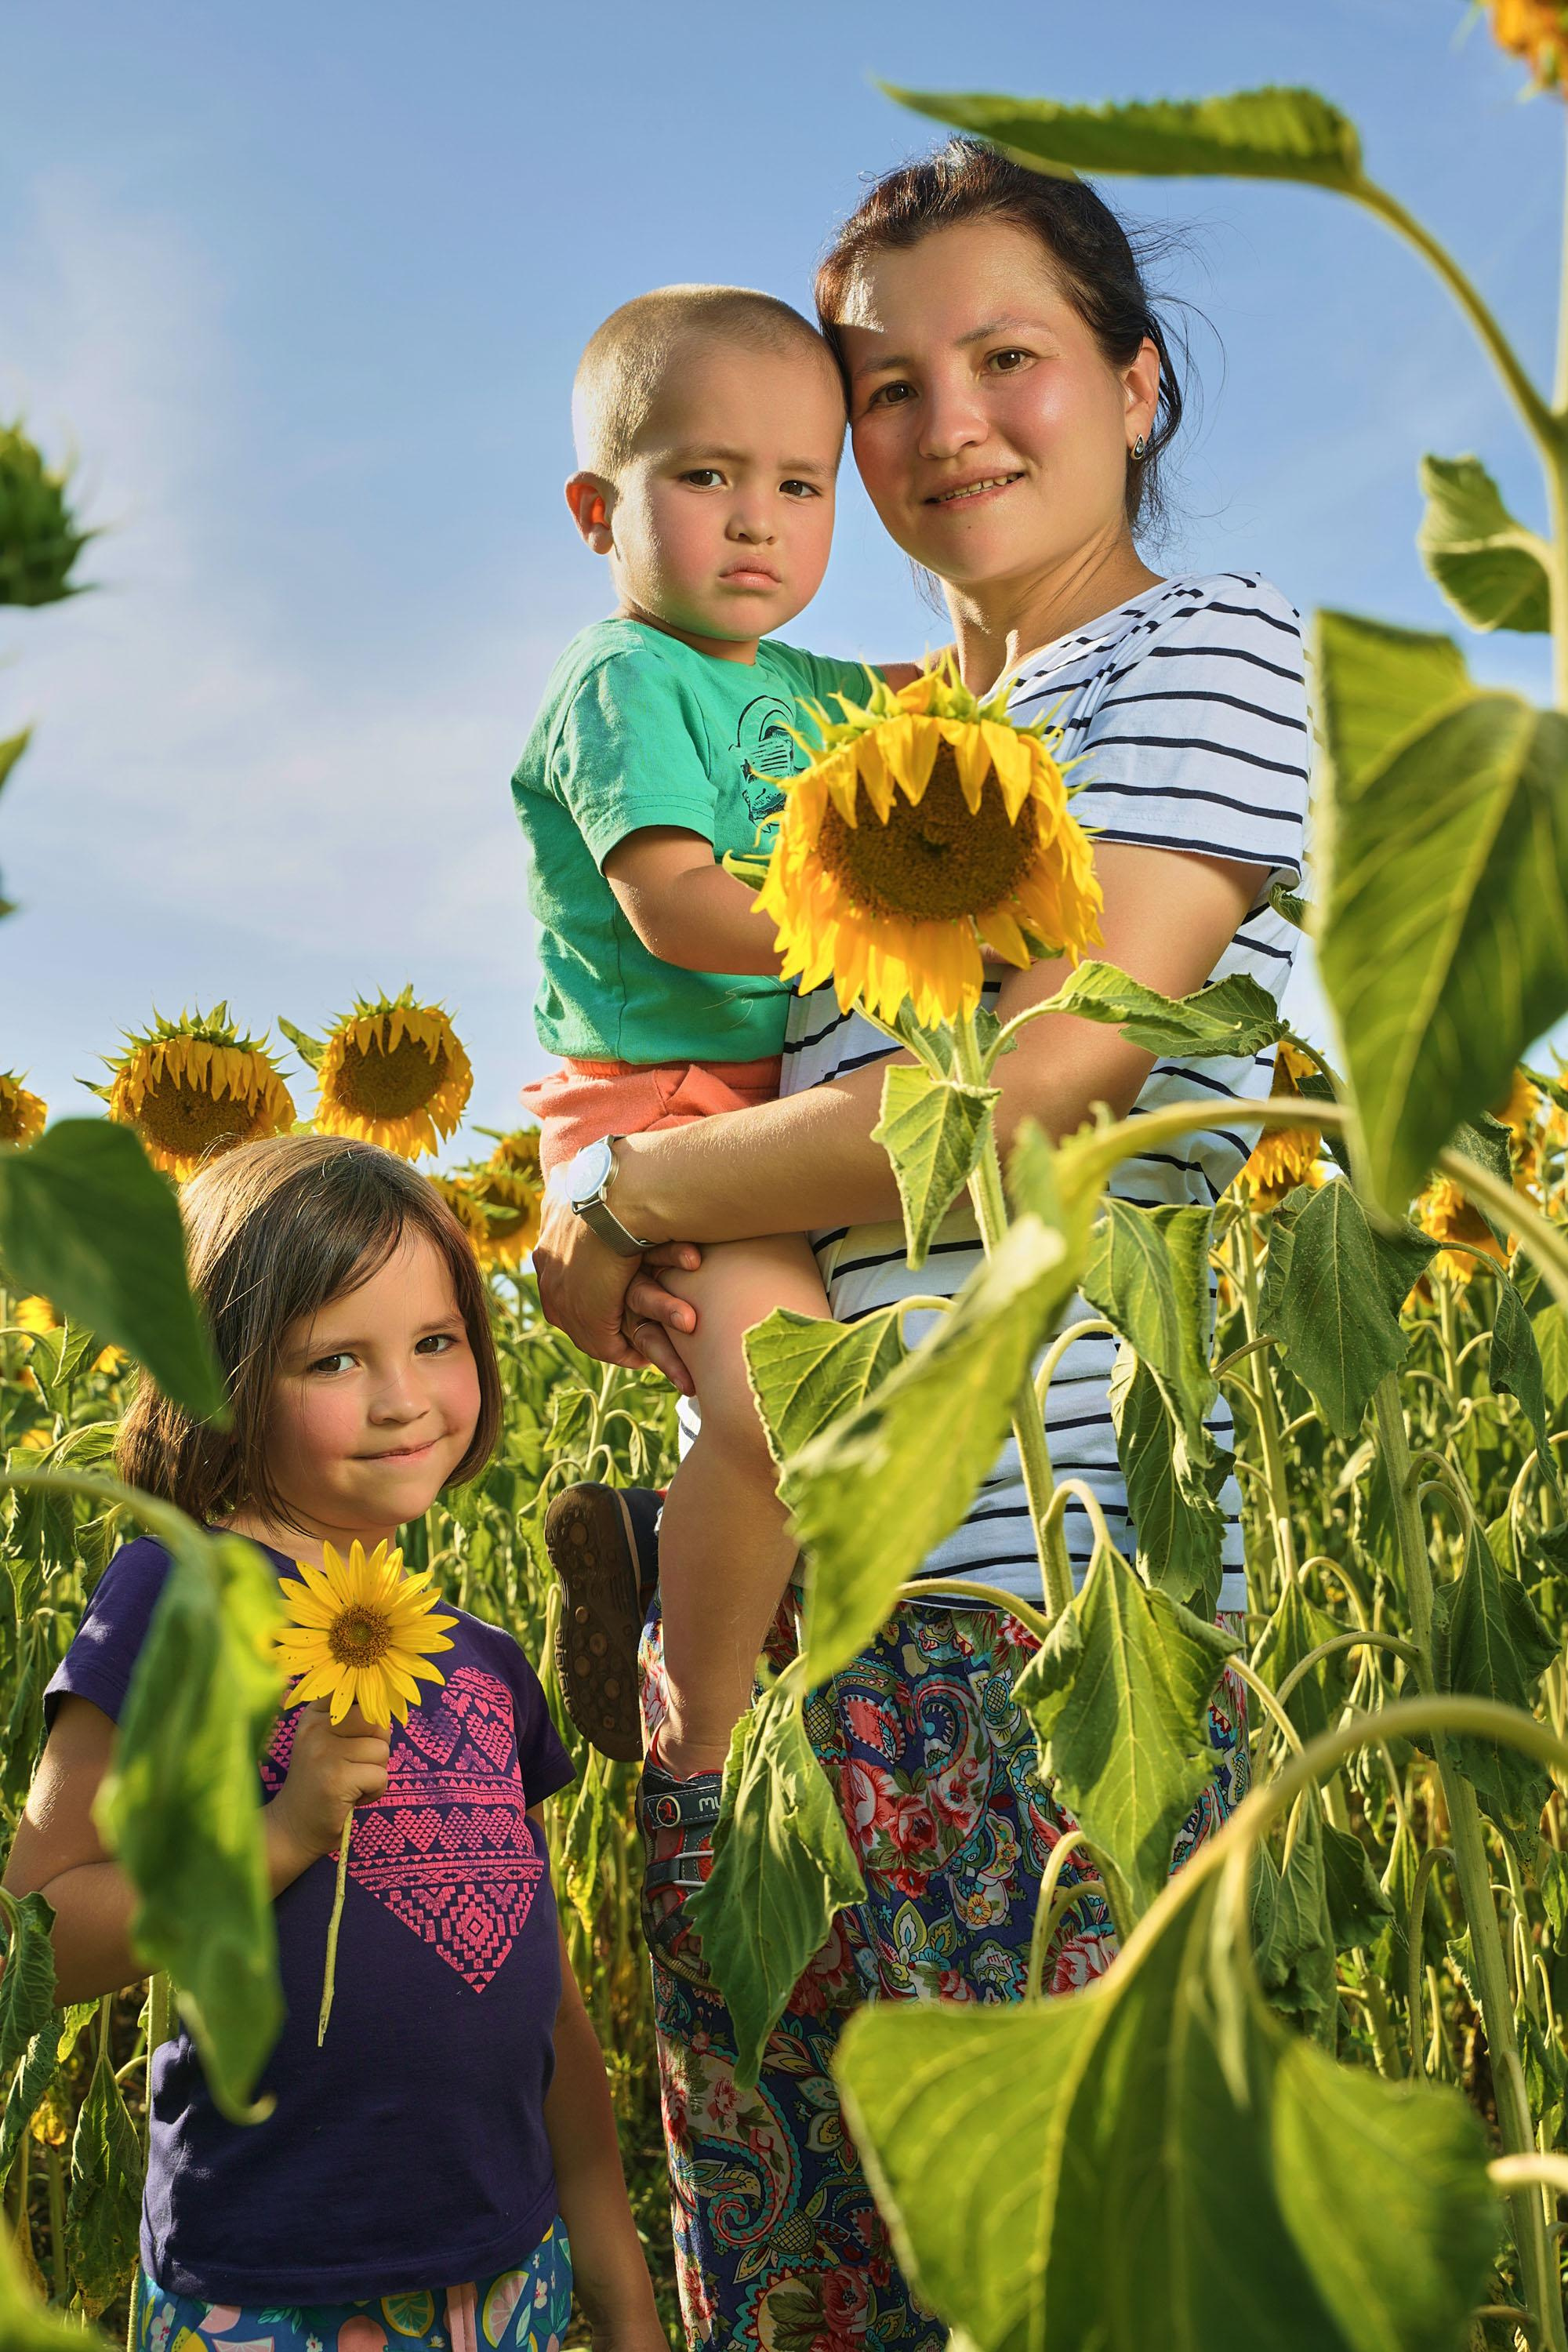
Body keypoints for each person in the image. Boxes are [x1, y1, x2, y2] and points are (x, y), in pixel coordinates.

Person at [534, 142, 1309, 2350]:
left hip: (1044, 1624)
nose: (948, 423)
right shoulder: (840, 750)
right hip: (768, 1656)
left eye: (1009, 359)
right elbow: (708, 1073)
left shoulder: (1206, 647)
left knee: (1085, 2276)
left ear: (1134, 386)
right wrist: (600, 1244)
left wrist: (627, 1204)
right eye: (889, 386)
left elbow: (1045, 1078)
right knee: (794, 2278)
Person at [5, 1134, 665, 2352]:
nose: (403, 1398)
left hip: (511, 2274)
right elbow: (38, 1936)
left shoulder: (483, 1661)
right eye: (335, 1358)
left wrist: (622, 2286)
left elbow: (547, 2006)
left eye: (436, 1341)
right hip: (271, 2285)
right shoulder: (176, 1594)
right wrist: (281, 1836)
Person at [512, 285, 920, 1781]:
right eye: (706, 476)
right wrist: (883, 923)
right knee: (789, 1398)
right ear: (596, 511)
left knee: (812, 1403)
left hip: (763, 1097)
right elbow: (675, 905)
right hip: (656, 1108)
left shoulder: (805, 684)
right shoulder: (620, 681)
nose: (759, 521)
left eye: (802, 486)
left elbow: (958, 688)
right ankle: (690, 1741)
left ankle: (650, 1547)